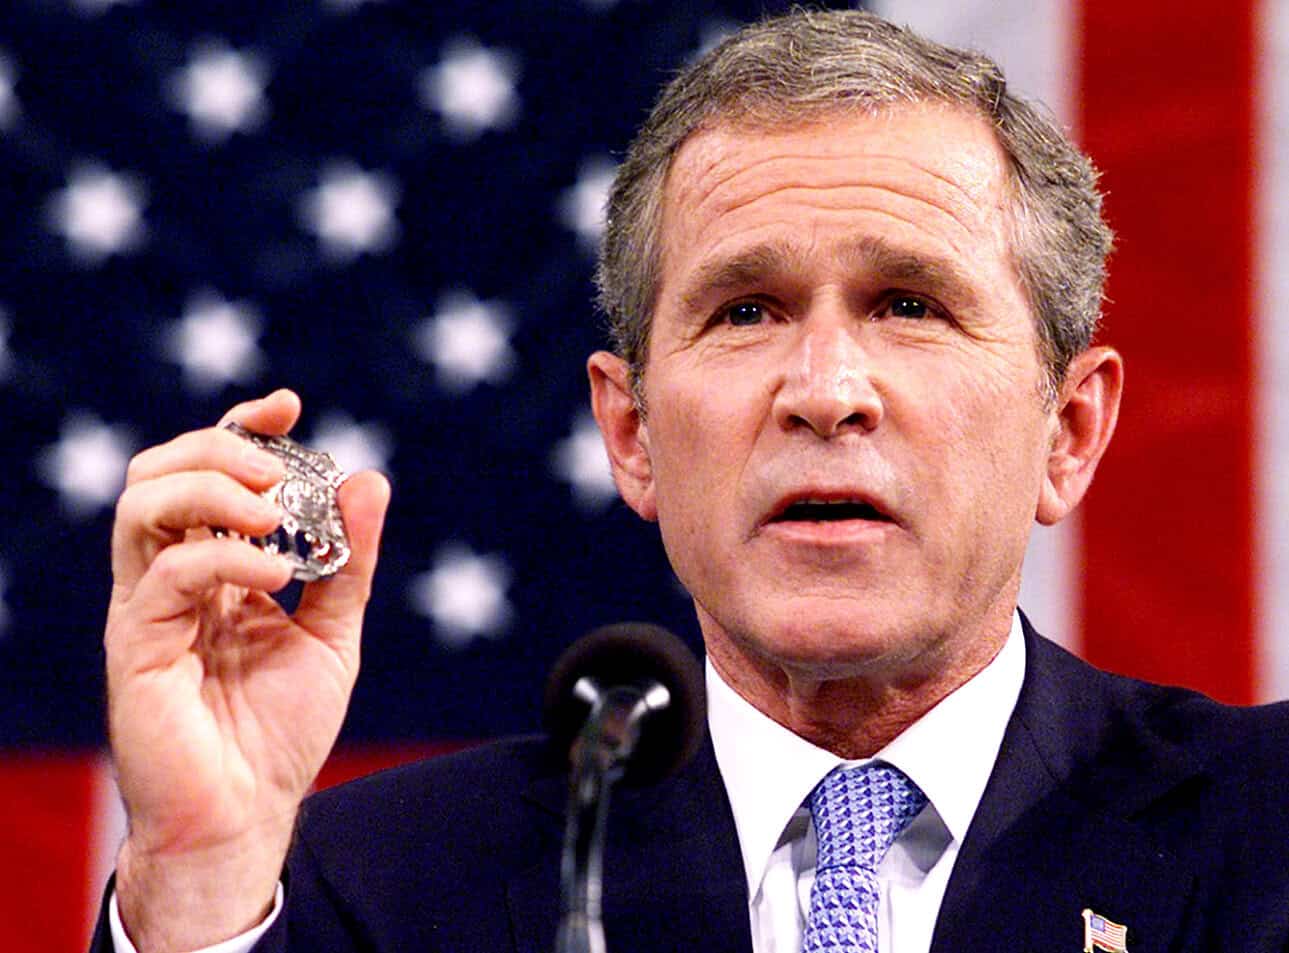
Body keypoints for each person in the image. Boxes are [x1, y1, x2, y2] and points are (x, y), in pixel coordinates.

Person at [92, 9, 1289, 953]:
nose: (824, 388)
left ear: (1067, 431)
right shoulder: (380, 886)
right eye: (745, 309)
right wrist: (195, 884)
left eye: (909, 305)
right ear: (632, 436)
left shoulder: (1264, 831)